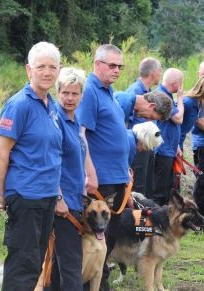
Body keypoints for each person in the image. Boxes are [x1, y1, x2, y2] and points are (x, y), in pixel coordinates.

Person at [0, 41, 63, 291]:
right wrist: (4, 195)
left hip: (46, 197)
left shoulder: (52, 105)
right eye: (40, 66)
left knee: (34, 265)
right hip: (25, 195)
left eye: (52, 67)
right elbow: (0, 153)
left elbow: (53, 153)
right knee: (23, 264)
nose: (46, 72)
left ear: (59, 70)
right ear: (28, 70)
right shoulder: (19, 104)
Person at [76, 43, 129, 291]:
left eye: (120, 66)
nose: (117, 70)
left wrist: (126, 168)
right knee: (98, 237)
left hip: (117, 178)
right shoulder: (90, 91)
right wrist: (90, 171)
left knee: (110, 239)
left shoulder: (109, 92)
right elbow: (81, 134)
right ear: (97, 64)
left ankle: (101, 283)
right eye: (112, 65)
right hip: (100, 181)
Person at [46, 67, 87, 290]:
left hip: (76, 198)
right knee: (72, 265)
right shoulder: (56, 120)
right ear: (58, 92)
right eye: (65, 93)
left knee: (60, 264)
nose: (70, 98)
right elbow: (51, 161)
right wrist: (58, 196)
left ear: (81, 95)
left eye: (75, 93)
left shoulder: (75, 118)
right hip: (63, 203)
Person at [125, 57, 163, 197]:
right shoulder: (134, 92)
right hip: (137, 148)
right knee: (137, 188)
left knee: (146, 187)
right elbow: (124, 123)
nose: (161, 74)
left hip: (147, 147)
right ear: (153, 72)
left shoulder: (150, 92)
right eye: (160, 70)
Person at [151, 68, 185, 206]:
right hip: (162, 151)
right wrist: (180, 98)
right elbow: (178, 118)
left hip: (170, 149)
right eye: (181, 83)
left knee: (168, 189)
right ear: (176, 84)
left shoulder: (167, 96)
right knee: (160, 190)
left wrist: (176, 145)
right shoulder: (163, 96)